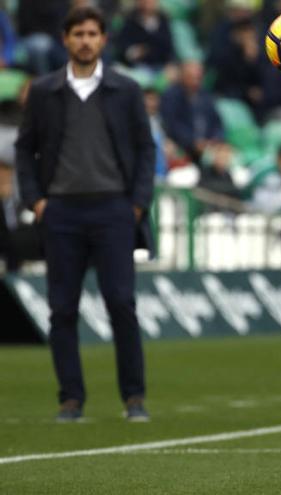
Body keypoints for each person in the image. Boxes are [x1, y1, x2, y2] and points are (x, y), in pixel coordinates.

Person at [14, 6, 155, 422]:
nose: (85, 41)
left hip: (114, 208)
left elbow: (146, 148)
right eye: (78, 34)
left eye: (93, 33)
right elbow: (24, 148)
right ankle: (70, 399)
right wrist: (35, 200)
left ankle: (134, 398)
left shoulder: (125, 89)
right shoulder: (44, 91)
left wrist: (138, 202)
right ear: (65, 39)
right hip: (61, 212)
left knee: (121, 305)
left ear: (103, 40)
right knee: (62, 309)